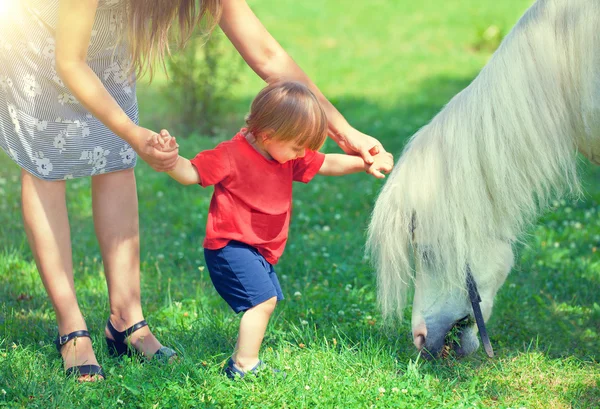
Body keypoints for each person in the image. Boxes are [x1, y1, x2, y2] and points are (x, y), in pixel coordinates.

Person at [0, 0, 390, 382]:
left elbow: (268, 54)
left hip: (108, 44)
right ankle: (72, 328)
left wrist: (345, 133)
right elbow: (70, 62)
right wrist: (135, 132)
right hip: (43, 36)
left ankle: (126, 320)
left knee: (117, 158)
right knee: (46, 164)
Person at [161, 80, 394, 378]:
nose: (301, 154)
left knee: (264, 300)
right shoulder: (231, 155)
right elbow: (191, 172)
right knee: (262, 301)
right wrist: (169, 160)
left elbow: (327, 163)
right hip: (230, 246)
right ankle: (244, 365)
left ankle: (242, 358)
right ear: (268, 135)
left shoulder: (285, 153)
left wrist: (364, 163)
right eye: (297, 148)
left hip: (258, 248)